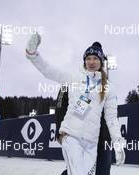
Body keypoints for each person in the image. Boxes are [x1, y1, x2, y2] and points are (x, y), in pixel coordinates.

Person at [25, 33, 125, 175]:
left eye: (95, 58)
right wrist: (33, 55)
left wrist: (118, 142)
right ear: (84, 61)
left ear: (101, 62)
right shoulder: (74, 77)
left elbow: (111, 118)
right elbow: (49, 70)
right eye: (88, 58)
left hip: (91, 143)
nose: (91, 61)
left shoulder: (108, 87)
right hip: (71, 137)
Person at [55, 86, 112, 175]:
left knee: (102, 171)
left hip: (103, 139)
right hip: (82, 138)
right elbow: (61, 107)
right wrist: (62, 131)